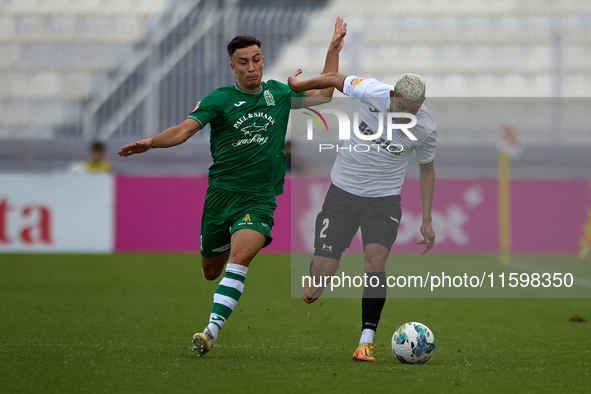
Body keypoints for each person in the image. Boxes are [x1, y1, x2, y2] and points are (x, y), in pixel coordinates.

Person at [117, 17, 347, 357]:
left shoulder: (279, 93)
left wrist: (333, 50)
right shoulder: (219, 100)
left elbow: (325, 93)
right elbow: (183, 130)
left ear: (262, 60)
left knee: (241, 257)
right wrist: (152, 142)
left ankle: (210, 332)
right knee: (211, 272)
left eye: (256, 59)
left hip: (258, 199)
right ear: (233, 66)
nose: (251, 67)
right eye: (244, 62)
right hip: (220, 197)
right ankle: (218, 280)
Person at [288, 70, 437, 362]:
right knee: (321, 272)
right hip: (342, 194)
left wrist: (427, 219)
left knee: (376, 259)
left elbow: (427, 169)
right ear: (392, 96)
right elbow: (333, 78)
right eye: (403, 108)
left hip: (383, 201)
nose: (408, 114)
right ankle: (318, 274)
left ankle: (365, 341)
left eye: (415, 110)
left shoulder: (426, 127)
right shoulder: (370, 91)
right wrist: (300, 86)